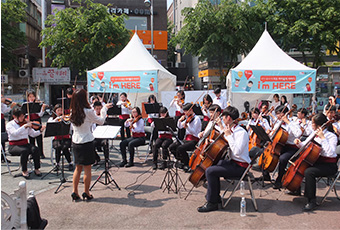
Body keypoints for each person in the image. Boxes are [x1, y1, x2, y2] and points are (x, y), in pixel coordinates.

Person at [197, 106, 251, 212]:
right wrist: (211, 143)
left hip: (241, 167)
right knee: (215, 164)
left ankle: (212, 203)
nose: (222, 119)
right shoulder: (230, 129)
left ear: (229, 118)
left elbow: (237, 152)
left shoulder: (241, 133)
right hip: (233, 162)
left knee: (210, 171)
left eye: (223, 117)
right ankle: (215, 197)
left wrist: (229, 136)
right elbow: (224, 143)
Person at [70, 89, 111, 202]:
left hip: (76, 141)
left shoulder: (72, 111)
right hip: (86, 141)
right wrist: (104, 109)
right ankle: (86, 192)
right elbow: (101, 121)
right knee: (87, 168)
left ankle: (75, 191)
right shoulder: (88, 111)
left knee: (78, 168)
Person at [294, 113, 338, 211]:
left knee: (309, 172)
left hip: (329, 165)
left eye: (312, 123)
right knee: (301, 165)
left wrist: (323, 138)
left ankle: (311, 201)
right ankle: (296, 189)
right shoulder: (314, 134)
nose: (311, 125)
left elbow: (330, 153)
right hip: (317, 162)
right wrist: (298, 143)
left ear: (318, 125)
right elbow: (305, 145)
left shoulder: (331, 136)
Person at [6, 107, 45, 179]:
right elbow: (14, 133)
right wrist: (24, 126)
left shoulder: (25, 123)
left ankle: (37, 168)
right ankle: (24, 170)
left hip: (24, 143)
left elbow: (32, 134)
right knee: (25, 151)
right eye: (21, 116)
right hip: (14, 145)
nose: (23, 118)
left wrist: (40, 131)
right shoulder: (10, 124)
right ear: (15, 116)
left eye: (23, 116)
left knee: (35, 149)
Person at [271, 105, 302, 189]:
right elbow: (273, 135)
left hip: (293, 147)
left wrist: (288, 122)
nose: (277, 116)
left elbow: (298, 133)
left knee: (282, 159)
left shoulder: (294, 122)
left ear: (284, 114)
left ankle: (279, 179)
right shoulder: (279, 123)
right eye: (276, 114)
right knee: (268, 154)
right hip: (281, 146)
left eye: (278, 114)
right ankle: (266, 175)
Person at [169, 103, 202, 172]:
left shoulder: (197, 119)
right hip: (186, 139)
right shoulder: (187, 118)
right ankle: (181, 160)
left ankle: (187, 163)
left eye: (186, 111)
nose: (185, 113)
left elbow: (194, 131)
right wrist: (179, 120)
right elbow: (180, 126)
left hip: (194, 140)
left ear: (191, 110)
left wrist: (187, 127)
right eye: (184, 111)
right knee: (172, 147)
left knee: (180, 148)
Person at [47, 104, 73, 171]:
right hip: (57, 138)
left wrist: (68, 121)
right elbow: (49, 126)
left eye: (61, 110)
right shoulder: (51, 119)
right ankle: (57, 164)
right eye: (58, 110)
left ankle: (70, 163)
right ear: (55, 111)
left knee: (65, 147)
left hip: (66, 138)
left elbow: (72, 128)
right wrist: (56, 119)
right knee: (58, 147)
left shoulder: (66, 118)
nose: (60, 112)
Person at [26, 90, 48, 159]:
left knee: (39, 138)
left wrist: (43, 109)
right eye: (30, 97)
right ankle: (32, 153)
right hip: (30, 121)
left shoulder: (37, 104)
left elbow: (40, 114)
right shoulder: (26, 105)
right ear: (28, 97)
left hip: (37, 121)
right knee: (31, 138)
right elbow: (25, 113)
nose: (32, 98)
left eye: (33, 96)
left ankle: (41, 153)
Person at [1, 95, 17, 163]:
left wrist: (11, 106)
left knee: (2, 138)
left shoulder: (3, 104)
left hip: (1, 119)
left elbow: (4, 111)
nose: (3, 98)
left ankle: (3, 156)